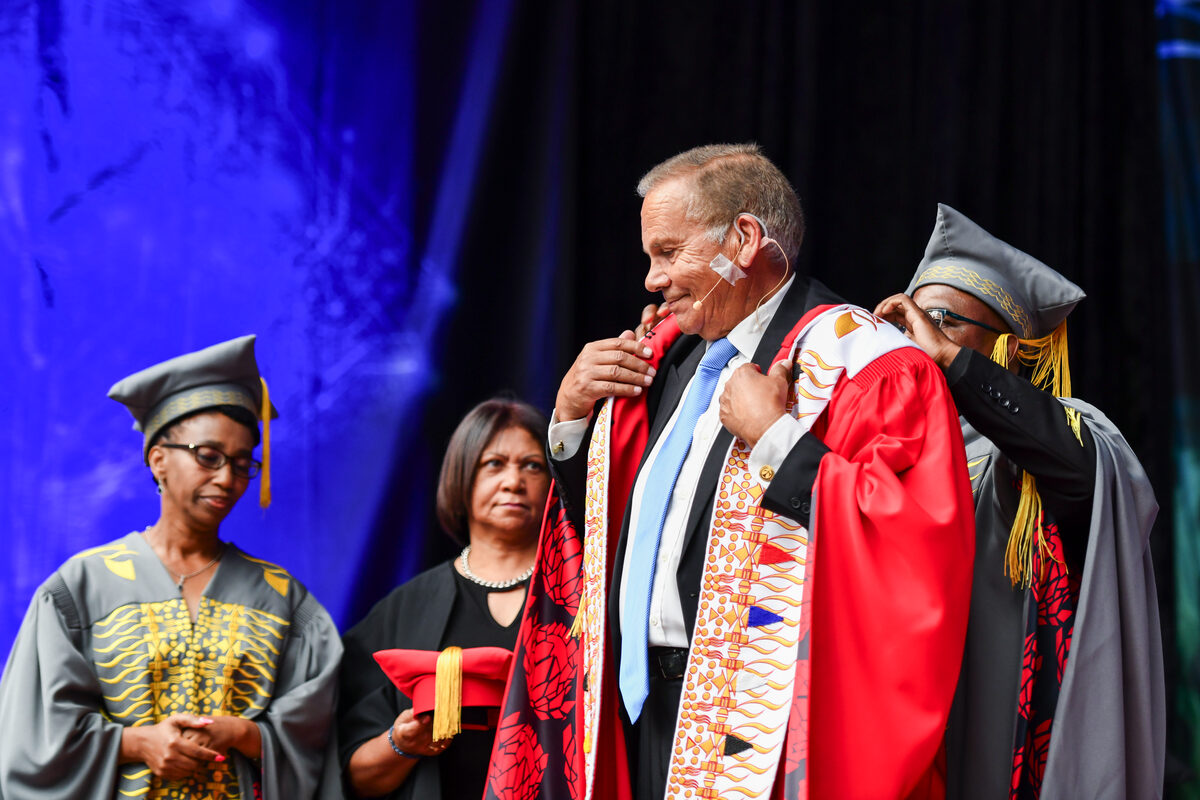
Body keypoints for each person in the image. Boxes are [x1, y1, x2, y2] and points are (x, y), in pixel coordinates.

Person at [487, 144, 977, 800]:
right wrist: (573, 421)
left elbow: (915, 551)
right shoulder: (673, 364)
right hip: (638, 717)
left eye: (667, 252)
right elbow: (612, 533)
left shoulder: (869, 367)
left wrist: (776, 440)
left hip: (766, 728)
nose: (650, 280)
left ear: (743, 239)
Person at [875, 204, 1165, 799]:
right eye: (908, 325)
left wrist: (952, 364)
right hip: (892, 723)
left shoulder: (1038, 449)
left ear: (1009, 351)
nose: (918, 339)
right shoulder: (883, 448)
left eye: (943, 321)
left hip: (990, 727)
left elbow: (1076, 464)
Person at [0, 335, 342, 799]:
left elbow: (317, 740)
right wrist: (136, 742)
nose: (227, 478)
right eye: (208, 457)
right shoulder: (81, 588)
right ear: (158, 459)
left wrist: (242, 734)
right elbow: (30, 734)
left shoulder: (283, 599)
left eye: (243, 464)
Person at [332, 398, 550, 799]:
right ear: (461, 477)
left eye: (532, 465)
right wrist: (402, 744)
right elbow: (354, 775)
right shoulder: (406, 609)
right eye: (494, 464)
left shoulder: (580, 596)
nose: (513, 482)